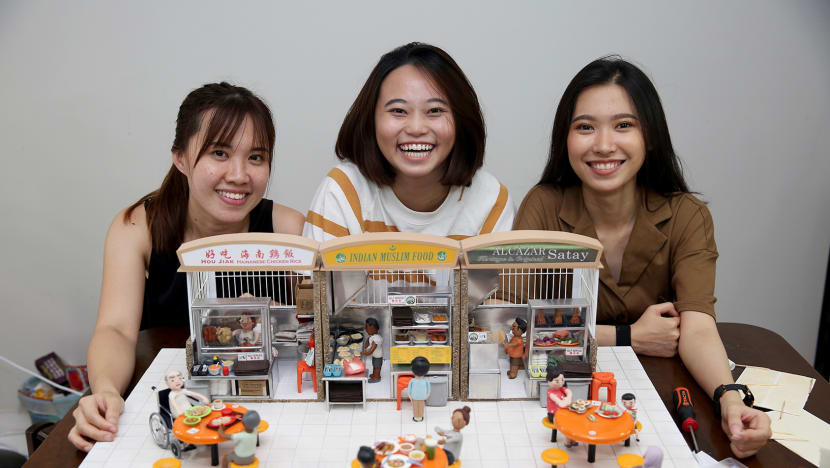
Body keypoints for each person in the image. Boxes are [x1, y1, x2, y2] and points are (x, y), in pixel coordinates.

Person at [513, 56, 771, 458]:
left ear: (649, 135)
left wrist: (730, 398)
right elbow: (514, 323)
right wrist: (629, 336)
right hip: (564, 385)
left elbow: (698, 327)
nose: (603, 144)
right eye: (585, 127)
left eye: (623, 125)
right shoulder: (543, 205)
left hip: (659, 393)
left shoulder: (688, 214)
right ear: (565, 138)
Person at [68, 83, 304, 452]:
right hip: (176, 394)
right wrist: (107, 391)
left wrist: (273, 321)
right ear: (179, 157)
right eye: (220, 153)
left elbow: (319, 324)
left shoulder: (289, 228)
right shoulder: (138, 225)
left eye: (256, 157)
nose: (240, 175)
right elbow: (115, 329)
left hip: (267, 403)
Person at [303, 42, 515, 242]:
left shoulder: (491, 200)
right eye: (398, 111)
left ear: (461, 120)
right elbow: (321, 282)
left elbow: (495, 282)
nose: (416, 128)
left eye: (435, 111)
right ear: (371, 120)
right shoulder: (342, 191)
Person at [545, 365, 576, 447]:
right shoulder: (550, 393)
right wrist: (567, 401)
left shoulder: (561, 388)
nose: (561, 382)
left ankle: (572, 438)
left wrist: (568, 397)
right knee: (566, 423)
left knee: (574, 420)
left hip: (562, 412)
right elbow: (559, 403)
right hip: (553, 415)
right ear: (549, 381)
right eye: (557, 381)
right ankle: (567, 440)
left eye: (562, 380)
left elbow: (569, 391)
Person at [407, 356, 431, 422]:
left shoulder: (412, 380)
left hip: (414, 397)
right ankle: (419, 417)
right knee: (421, 407)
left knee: (415, 408)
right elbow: (429, 390)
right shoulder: (426, 380)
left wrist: (410, 396)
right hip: (422, 397)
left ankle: (417, 417)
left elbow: (409, 390)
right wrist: (426, 396)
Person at [360, 317, 383, 383]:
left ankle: (377, 377)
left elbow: (370, 351)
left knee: (377, 367)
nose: (365, 329)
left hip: (378, 357)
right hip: (375, 356)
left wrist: (363, 353)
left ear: (372, 328)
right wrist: (368, 339)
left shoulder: (376, 339)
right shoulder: (373, 337)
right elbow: (367, 346)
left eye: (366, 327)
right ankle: (374, 375)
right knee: (374, 366)